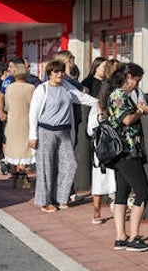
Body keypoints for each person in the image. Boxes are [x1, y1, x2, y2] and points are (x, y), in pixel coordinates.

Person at [28, 59, 98, 212]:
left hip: (64, 132)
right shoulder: (42, 89)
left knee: (69, 164)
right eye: (56, 72)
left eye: (61, 71)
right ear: (49, 74)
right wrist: (32, 136)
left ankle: (61, 197)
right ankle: (44, 201)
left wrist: (99, 103)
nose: (59, 74)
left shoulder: (66, 87)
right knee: (46, 167)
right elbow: (33, 113)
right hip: (46, 131)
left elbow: (81, 97)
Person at [102, 63, 148, 251]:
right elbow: (126, 119)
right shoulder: (118, 95)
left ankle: (121, 236)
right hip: (126, 151)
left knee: (122, 192)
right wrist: (141, 111)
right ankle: (133, 236)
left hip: (120, 151)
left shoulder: (117, 94)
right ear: (128, 77)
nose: (137, 84)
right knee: (143, 191)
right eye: (136, 80)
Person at [88, 60, 120, 224]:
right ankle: (102, 207)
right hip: (111, 145)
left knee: (102, 177)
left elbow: (90, 128)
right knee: (107, 176)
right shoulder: (112, 100)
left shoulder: (99, 102)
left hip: (102, 145)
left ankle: (99, 209)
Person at [2, 62, 36, 188]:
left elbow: (7, 105)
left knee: (15, 148)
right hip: (26, 121)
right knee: (25, 149)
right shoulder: (31, 88)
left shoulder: (9, 88)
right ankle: (22, 175)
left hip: (13, 121)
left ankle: (15, 174)